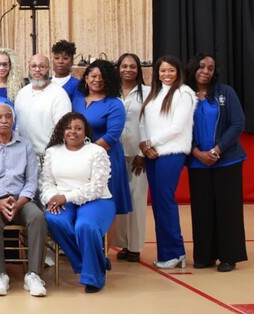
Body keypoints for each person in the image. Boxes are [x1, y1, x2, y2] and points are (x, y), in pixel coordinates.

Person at [184, 53, 248, 272]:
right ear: (193, 68)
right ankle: (205, 256)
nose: (206, 71)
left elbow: (238, 124)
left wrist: (216, 151)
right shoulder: (184, 94)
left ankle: (229, 256)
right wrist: (196, 152)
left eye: (210, 68)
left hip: (227, 160)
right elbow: (179, 127)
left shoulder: (225, 92)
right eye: (201, 66)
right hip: (197, 162)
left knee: (228, 209)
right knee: (202, 209)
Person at [0, 104, 47, 297]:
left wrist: (20, 202)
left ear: (14, 120)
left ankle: (33, 275)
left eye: (8, 116)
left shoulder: (26, 146)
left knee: (37, 217)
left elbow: (31, 180)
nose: (4, 120)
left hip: (21, 199)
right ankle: (0, 274)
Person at [42, 112, 115, 293]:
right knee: (53, 219)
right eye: (68, 128)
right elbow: (46, 183)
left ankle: (94, 279)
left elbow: (97, 187)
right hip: (62, 200)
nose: (72, 132)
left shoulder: (97, 151)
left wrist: (66, 197)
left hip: (96, 200)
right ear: (62, 131)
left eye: (78, 128)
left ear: (85, 132)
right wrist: (52, 198)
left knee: (85, 226)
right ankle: (95, 262)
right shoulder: (52, 152)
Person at [139, 56, 193, 269]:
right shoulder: (154, 93)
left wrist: (151, 142)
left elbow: (177, 127)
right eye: (163, 70)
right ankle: (167, 253)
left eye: (171, 70)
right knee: (158, 203)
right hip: (152, 153)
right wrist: (145, 146)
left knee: (165, 201)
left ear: (178, 72)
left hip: (171, 152)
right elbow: (143, 123)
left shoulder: (184, 93)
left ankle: (175, 251)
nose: (167, 74)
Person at [72, 59, 133, 219]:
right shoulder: (78, 99)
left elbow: (111, 137)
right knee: (84, 204)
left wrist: (85, 152)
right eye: (93, 76)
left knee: (106, 206)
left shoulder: (115, 104)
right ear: (86, 78)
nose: (97, 80)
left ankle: (107, 237)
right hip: (80, 158)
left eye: (102, 77)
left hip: (106, 158)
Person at [111, 53, 150, 262]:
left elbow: (151, 124)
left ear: (138, 69)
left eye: (132, 66)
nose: (128, 69)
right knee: (119, 199)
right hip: (115, 154)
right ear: (118, 68)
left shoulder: (148, 93)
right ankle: (123, 244)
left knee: (136, 200)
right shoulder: (111, 92)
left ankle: (135, 246)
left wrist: (143, 153)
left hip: (137, 156)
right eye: (124, 66)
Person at [14, 54, 71, 156]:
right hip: (23, 156)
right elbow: (17, 126)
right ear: (28, 68)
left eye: (42, 66)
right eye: (33, 66)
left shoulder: (59, 95)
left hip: (48, 157)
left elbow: (63, 130)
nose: (37, 70)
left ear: (49, 69)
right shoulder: (22, 93)